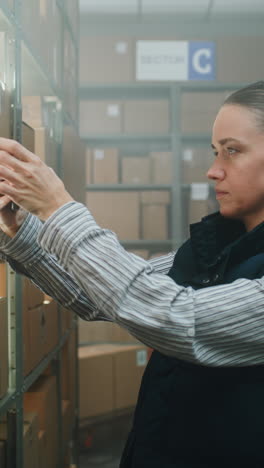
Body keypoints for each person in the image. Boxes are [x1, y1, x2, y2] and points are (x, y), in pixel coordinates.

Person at [0, 81, 264, 467]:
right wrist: (20, 225)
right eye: (214, 152)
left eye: (232, 151)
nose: (212, 170)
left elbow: (177, 318)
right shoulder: (213, 248)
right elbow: (97, 294)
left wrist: (59, 208)